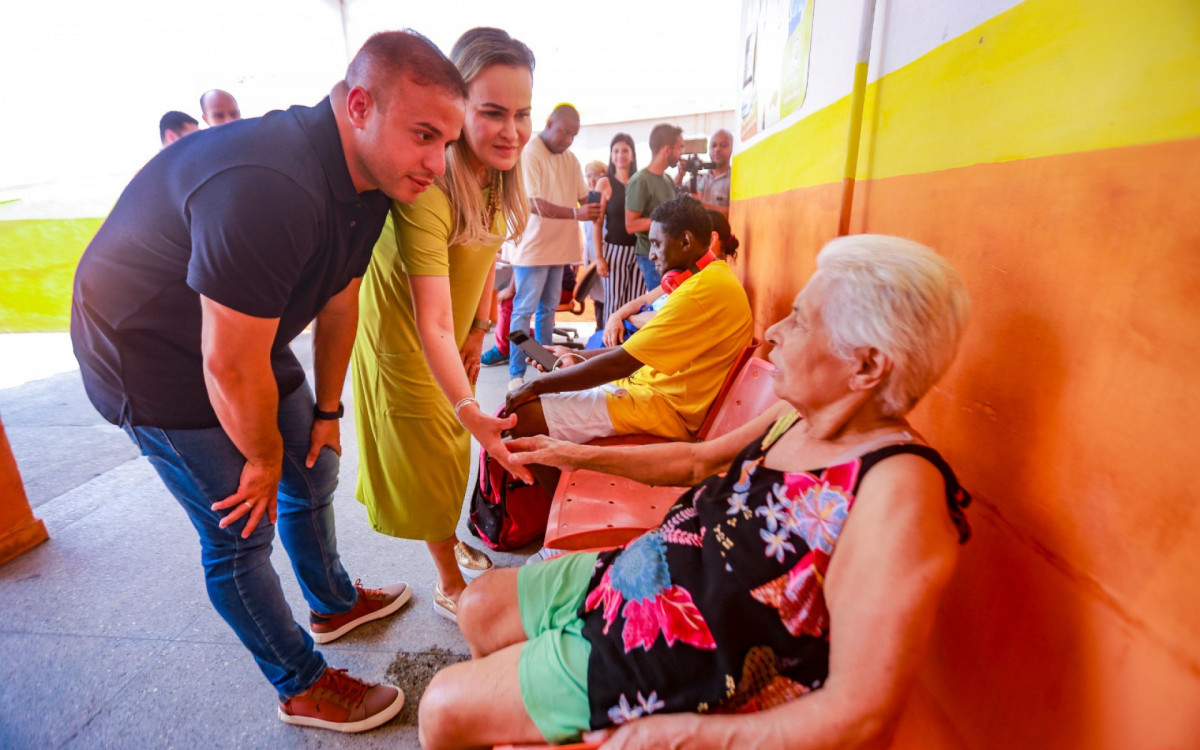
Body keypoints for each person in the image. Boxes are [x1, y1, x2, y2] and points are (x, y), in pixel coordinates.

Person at [416, 234, 974, 750]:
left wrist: (681, 736)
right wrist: (570, 454)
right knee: (479, 605)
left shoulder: (897, 491)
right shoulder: (803, 414)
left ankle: (515, 709)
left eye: (802, 321)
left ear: (868, 366)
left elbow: (861, 713)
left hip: (688, 656)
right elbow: (697, 461)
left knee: (443, 709)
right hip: (650, 571)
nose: (775, 332)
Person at [70, 32, 467, 732]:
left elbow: (340, 299)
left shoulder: (373, 179)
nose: (438, 164)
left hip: (245, 332)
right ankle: (299, 684)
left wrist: (328, 409)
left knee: (313, 466)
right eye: (424, 135)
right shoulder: (271, 184)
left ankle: (333, 604)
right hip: (149, 356)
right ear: (359, 106)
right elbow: (226, 365)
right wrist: (257, 458)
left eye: (448, 142)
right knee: (239, 530)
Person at [351, 27, 536, 623]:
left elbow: (486, 253)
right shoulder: (429, 188)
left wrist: (480, 327)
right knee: (432, 453)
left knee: (453, 448)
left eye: (522, 113)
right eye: (492, 113)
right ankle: (448, 581)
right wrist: (467, 406)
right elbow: (428, 321)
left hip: (451, 333)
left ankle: (450, 541)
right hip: (405, 339)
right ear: (459, 109)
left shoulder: (496, 176)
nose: (512, 131)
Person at [505, 196, 752, 494]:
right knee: (548, 393)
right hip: (648, 392)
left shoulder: (699, 293)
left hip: (666, 409)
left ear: (686, 242)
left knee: (524, 416)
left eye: (656, 243)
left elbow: (621, 363)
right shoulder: (708, 280)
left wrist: (534, 386)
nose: (652, 254)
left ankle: (558, 511)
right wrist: (575, 355)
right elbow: (635, 351)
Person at [507, 104, 603, 391]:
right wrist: (576, 213)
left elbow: (583, 196)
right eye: (564, 132)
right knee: (524, 311)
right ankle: (516, 374)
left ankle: (546, 370)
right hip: (533, 248)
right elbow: (533, 203)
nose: (568, 140)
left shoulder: (571, 159)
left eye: (574, 135)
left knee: (548, 310)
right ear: (549, 123)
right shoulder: (530, 152)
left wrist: (596, 202)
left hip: (559, 249)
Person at [603, 208, 740, 346]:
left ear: (712, 240)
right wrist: (616, 316)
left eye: (687, 240)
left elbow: (667, 320)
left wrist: (628, 319)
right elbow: (646, 298)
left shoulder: (710, 282)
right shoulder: (689, 273)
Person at [593, 133, 643, 338]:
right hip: (615, 251)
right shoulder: (603, 183)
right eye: (616, 151)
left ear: (632, 155)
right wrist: (599, 257)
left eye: (624, 151)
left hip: (641, 251)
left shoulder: (641, 181)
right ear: (611, 155)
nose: (620, 155)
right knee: (614, 304)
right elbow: (596, 224)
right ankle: (608, 348)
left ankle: (631, 348)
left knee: (637, 305)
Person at [625, 123, 683, 292]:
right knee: (659, 302)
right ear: (667, 150)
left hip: (669, 254)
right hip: (651, 255)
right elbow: (631, 225)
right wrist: (665, 221)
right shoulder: (640, 180)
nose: (681, 153)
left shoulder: (667, 179)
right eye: (679, 147)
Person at [674, 128, 732, 216]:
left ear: (732, 148)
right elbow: (673, 192)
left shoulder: (735, 180)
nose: (717, 149)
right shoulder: (700, 178)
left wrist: (702, 206)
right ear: (709, 149)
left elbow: (735, 212)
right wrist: (680, 175)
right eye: (713, 145)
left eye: (723, 145)